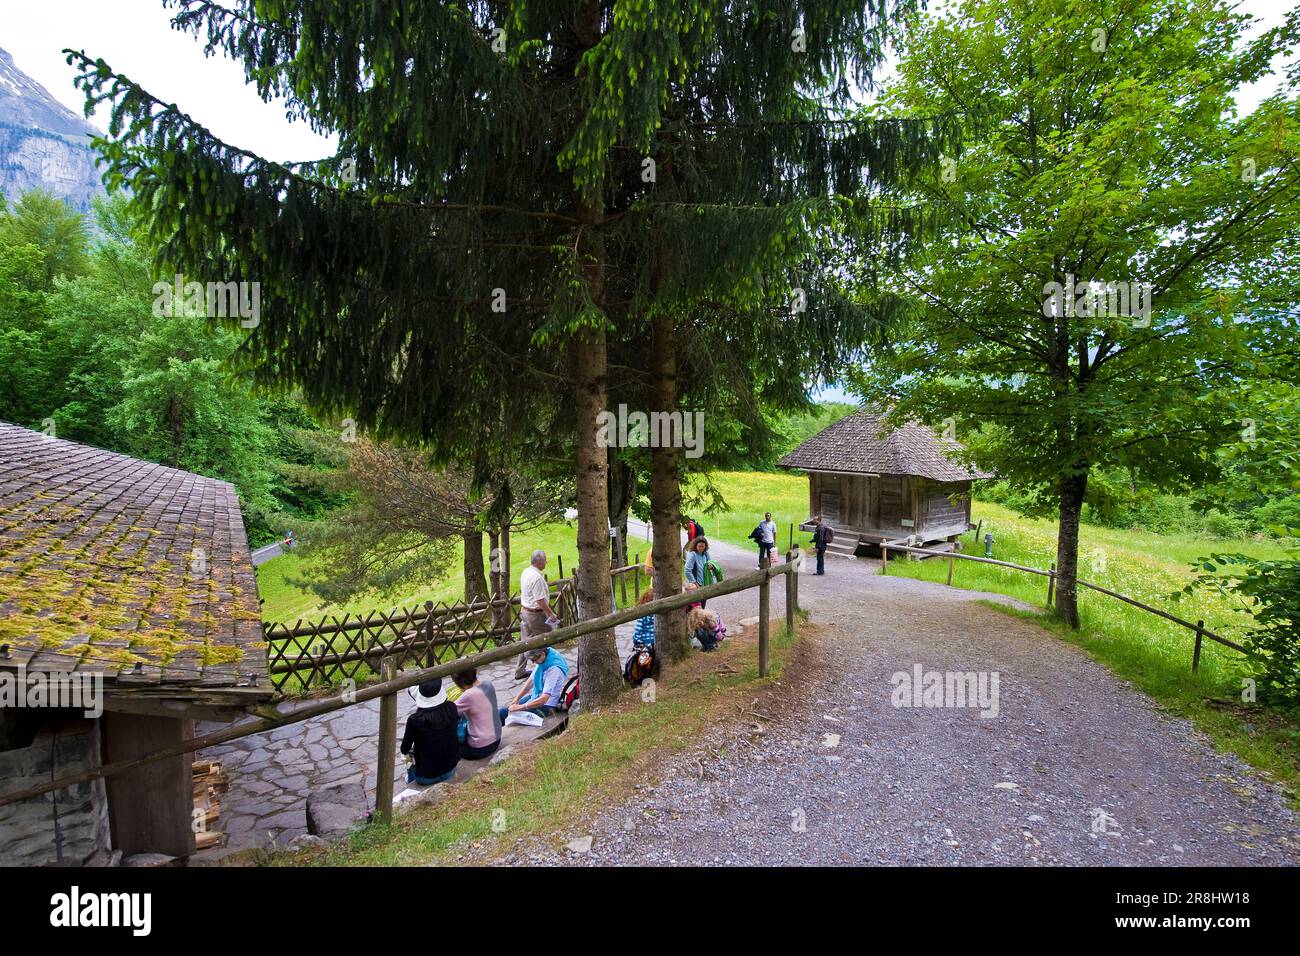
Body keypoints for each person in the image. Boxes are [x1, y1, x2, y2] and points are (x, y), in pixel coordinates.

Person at [401, 678, 460, 785]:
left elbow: (404, 749)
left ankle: (409, 784)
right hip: (451, 768)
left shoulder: (414, 720)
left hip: (426, 777)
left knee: (408, 760)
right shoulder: (452, 707)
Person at [515, 550, 559, 680]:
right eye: (545, 560)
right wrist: (550, 614)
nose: (546, 562)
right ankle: (551, 667)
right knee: (548, 639)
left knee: (525, 641)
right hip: (535, 615)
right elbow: (540, 600)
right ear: (540, 561)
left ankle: (519, 670)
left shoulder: (526, 572)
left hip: (525, 611)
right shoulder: (537, 578)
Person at [501, 646, 569, 723]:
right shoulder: (544, 660)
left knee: (503, 713)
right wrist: (515, 700)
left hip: (546, 706)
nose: (533, 662)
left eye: (534, 660)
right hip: (536, 697)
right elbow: (529, 683)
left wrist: (520, 707)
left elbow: (543, 699)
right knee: (505, 710)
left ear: (543, 654)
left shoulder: (554, 670)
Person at [452, 667, 502, 760]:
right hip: (497, 739)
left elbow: (449, 712)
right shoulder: (488, 684)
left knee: (449, 743)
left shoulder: (468, 695)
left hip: (480, 749)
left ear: (460, 683)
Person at [684, 536, 710, 608]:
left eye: (703, 546)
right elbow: (687, 570)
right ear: (695, 546)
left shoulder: (706, 554)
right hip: (695, 585)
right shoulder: (693, 555)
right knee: (693, 607)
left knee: (702, 606)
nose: (701, 548)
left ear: (705, 546)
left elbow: (710, 564)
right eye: (699, 546)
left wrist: (710, 566)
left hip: (705, 584)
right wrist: (695, 583)